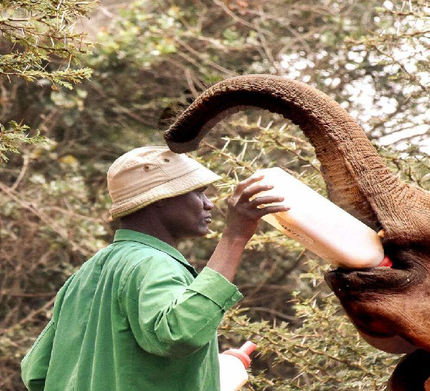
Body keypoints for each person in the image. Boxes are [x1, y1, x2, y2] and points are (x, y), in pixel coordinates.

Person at [20, 146, 288, 391]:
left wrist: (208, 370)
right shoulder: (153, 264)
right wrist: (235, 236)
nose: (208, 204)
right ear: (161, 198)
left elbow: (36, 372)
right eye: (197, 192)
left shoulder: (85, 274)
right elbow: (180, 333)